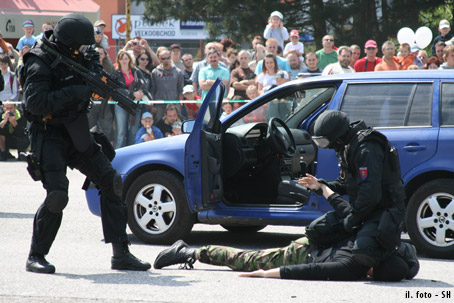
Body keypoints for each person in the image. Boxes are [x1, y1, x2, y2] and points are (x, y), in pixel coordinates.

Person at [21, 13, 150, 274]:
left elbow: (95, 77)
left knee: (111, 181)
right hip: (48, 133)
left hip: (76, 130)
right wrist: (75, 92)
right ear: (68, 43)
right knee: (57, 195)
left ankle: (121, 254)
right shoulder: (39, 60)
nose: (86, 49)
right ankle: (36, 255)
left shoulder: (78, 56)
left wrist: (96, 76)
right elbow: (34, 103)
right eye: (82, 45)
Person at [153, 184, 418, 281]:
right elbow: (309, 271)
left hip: (319, 240)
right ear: (373, 271)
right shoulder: (351, 266)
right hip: (303, 253)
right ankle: (191, 252)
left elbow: (349, 212)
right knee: (249, 260)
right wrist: (264, 273)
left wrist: (323, 188)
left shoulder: (384, 242)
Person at [300, 110, 407, 268]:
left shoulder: (367, 148)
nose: (327, 147)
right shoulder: (347, 146)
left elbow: (370, 194)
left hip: (384, 211)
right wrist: (321, 186)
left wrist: (351, 221)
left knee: (364, 250)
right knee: (315, 230)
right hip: (364, 210)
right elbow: (347, 185)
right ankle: (350, 246)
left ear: (337, 136)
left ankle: (402, 250)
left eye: (325, 142)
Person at [112, 50, 146, 148]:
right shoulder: (116, 73)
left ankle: (132, 152)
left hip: (135, 104)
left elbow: (144, 83)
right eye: (122, 59)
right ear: (118, 60)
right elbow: (116, 89)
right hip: (121, 104)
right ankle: (118, 155)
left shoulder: (136, 71)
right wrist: (132, 93)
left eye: (126, 58)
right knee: (121, 132)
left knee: (133, 131)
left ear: (129, 60)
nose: (124, 61)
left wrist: (140, 92)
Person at [151, 48, 184, 120]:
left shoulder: (178, 72)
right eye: (163, 58)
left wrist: (179, 104)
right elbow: (152, 89)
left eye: (168, 58)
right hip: (159, 105)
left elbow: (180, 90)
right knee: (159, 124)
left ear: (170, 57)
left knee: (175, 124)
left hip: (174, 104)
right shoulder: (155, 72)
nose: (166, 60)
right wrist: (152, 105)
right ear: (160, 59)